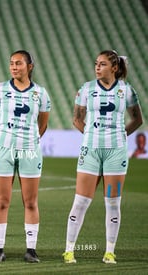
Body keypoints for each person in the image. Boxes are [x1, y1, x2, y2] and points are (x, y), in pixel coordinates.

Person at [63, 50, 143, 264]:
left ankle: (109, 252)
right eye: (96, 63)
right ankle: (69, 250)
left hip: (116, 153)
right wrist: (92, 136)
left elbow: (137, 119)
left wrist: (119, 136)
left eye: (103, 64)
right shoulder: (87, 89)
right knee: (80, 201)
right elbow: (77, 119)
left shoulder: (126, 90)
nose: (97, 67)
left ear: (114, 68)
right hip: (91, 150)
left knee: (113, 202)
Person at [0, 50, 51, 263]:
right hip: (3, 149)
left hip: (30, 150)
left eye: (19, 63)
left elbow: (42, 124)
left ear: (29, 66)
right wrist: (4, 139)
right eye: (12, 63)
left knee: (30, 201)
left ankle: (31, 250)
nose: (14, 67)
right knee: (2, 200)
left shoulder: (41, 93)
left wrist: (28, 140)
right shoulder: (0, 90)